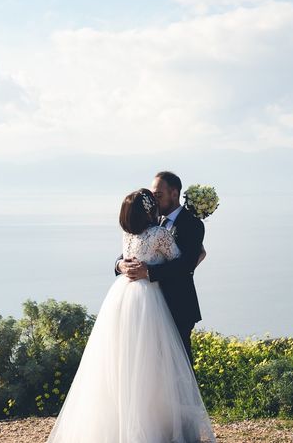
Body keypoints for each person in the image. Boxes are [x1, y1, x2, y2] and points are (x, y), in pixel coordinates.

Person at [46, 188, 216, 443]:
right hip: (149, 300)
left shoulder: (127, 232)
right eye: (153, 198)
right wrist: (199, 255)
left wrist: (125, 265)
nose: (157, 201)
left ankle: (129, 424)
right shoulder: (159, 232)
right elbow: (181, 262)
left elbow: (130, 256)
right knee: (158, 365)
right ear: (149, 209)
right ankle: (162, 428)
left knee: (128, 361)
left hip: (123, 299)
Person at [116, 171, 206, 364]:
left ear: (174, 194)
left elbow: (186, 264)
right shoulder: (151, 220)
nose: (154, 201)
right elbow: (132, 251)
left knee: (179, 364)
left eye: (158, 195)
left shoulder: (193, 225)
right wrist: (120, 264)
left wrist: (148, 272)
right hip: (148, 307)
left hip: (177, 304)